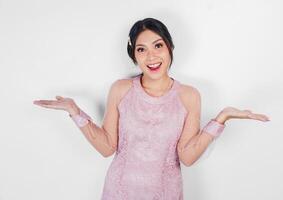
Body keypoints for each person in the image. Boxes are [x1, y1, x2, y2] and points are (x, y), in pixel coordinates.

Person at [33, 17, 270, 200]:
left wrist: (221, 118)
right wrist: (75, 111)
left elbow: (187, 157)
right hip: (119, 191)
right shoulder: (121, 89)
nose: (151, 56)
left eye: (158, 46)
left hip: (165, 192)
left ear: (170, 48)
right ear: (134, 56)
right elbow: (107, 147)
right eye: (141, 49)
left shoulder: (189, 95)